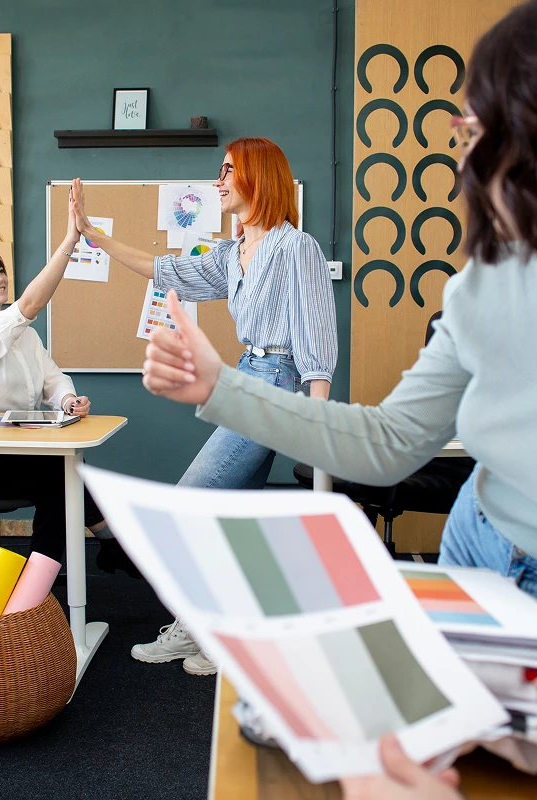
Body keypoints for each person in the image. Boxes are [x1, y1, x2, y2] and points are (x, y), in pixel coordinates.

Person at [140, 0, 537, 796]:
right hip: (467, 564)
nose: (467, 164)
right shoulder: (498, 275)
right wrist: (219, 386)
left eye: (480, 135)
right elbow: (390, 441)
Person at [70, 136, 337, 676]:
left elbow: (317, 339)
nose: (217, 181)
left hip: (277, 385)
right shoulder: (232, 254)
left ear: (257, 176)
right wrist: (93, 235)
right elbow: (164, 269)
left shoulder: (296, 248)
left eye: (227, 170)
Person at [0, 193, 135, 575]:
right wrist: (70, 241)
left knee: (65, 471)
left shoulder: (26, 337)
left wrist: (68, 400)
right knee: (62, 476)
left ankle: (46, 575)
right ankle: (101, 547)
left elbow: (54, 380)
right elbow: (29, 305)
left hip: (24, 449)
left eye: (0, 270)